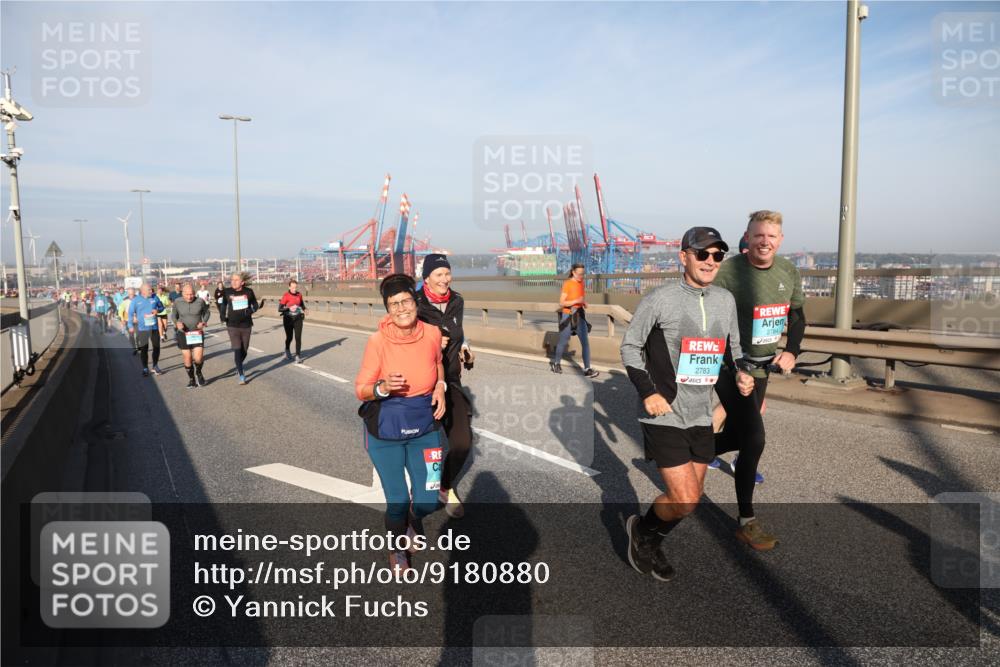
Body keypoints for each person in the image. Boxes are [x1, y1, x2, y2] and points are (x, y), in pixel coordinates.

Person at [621, 227, 754, 580]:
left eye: (717, 255)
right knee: (685, 498)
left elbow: (733, 350)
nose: (710, 261)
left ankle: (646, 536)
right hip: (664, 411)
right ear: (684, 257)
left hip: (701, 414)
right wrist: (648, 393)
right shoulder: (660, 299)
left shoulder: (725, 300)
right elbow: (630, 347)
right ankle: (644, 534)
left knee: (689, 500)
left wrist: (742, 373)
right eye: (702, 254)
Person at [710, 210, 806, 550]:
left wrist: (791, 351)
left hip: (762, 367)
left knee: (740, 435)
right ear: (748, 238)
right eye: (759, 235)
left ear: (780, 240)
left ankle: (688, 448)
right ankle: (746, 521)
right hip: (728, 365)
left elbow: (797, 316)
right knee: (754, 438)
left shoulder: (788, 271)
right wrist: (735, 366)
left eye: (771, 236)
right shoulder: (729, 271)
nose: (765, 242)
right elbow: (710, 319)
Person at [355, 274, 447, 572]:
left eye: (406, 301)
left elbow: (437, 363)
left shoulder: (432, 333)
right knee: (396, 500)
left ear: (416, 302)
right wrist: (382, 387)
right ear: (387, 309)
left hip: (425, 426)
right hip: (386, 429)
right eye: (393, 304)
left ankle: (412, 518)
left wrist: (440, 387)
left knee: (429, 499)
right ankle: (397, 547)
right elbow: (361, 389)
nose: (401, 309)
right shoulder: (377, 342)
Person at [414, 253, 476, 519]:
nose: (445, 279)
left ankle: (444, 486)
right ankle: (420, 497)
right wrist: (429, 344)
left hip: (450, 380)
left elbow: (458, 331)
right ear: (426, 278)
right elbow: (401, 338)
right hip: (420, 384)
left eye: (447, 273)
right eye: (438, 274)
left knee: (462, 443)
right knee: (426, 448)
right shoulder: (414, 303)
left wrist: (465, 348)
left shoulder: (457, 300)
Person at [550, 263, 599, 378]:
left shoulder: (582, 283)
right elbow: (561, 303)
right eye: (579, 274)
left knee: (585, 343)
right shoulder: (567, 284)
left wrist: (583, 303)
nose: (581, 276)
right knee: (563, 341)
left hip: (580, 315)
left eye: (583, 274)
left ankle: (587, 369)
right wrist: (576, 301)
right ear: (573, 272)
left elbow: (580, 298)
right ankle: (556, 364)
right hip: (567, 316)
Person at [220, 272, 259, 385]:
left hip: (246, 325)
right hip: (232, 325)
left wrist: (251, 310)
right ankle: (242, 375)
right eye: (232, 280)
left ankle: (238, 365)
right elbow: (223, 304)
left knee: (244, 350)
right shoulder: (227, 291)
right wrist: (222, 315)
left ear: (242, 282)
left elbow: (255, 305)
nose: (233, 282)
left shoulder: (248, 292)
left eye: (236, 280)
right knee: (237, 349)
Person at [172, 283, 210, 388]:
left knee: (198, 358)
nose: (189, 297)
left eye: (191, 294)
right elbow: (173, 315)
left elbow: (207, 313)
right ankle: (192, 379)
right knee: (187, 357)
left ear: (194, 293)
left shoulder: (200, 301)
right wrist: (177, 323)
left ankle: (198, 372)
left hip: (196, 333)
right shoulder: (177, 302)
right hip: (183, 333)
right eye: (187, 294)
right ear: (182, 293)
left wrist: (203, 322)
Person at [127, 283, 165, 376]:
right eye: (149, 290)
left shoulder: (155, 297)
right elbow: (130, 313)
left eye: (151, 289)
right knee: (144, 349)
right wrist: (130, 326)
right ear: (143, 291)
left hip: (154, 327)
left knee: (156, 347)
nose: (151, 291)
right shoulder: (136, 300)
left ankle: (155, 366)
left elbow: (161, 307)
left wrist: (157, 310)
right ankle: (145, 368)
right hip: (142, 328)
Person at [278, 279, 307, 363]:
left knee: (298, 337)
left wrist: (305, 309)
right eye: (293, 287)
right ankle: (287, 350)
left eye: (295, 287)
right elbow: (280, 309)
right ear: (289, 287)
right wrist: (288, 308)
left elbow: (302, 304)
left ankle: (297, 356)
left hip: (298, 318)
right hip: (288, 319)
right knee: (289, 337)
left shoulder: (299, 295)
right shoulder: (286, 295)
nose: (294, 289)